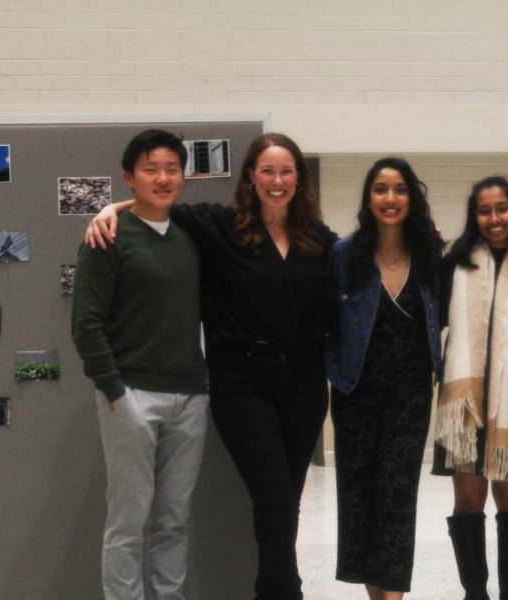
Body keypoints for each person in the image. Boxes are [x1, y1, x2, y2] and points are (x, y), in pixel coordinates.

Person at [85, 132, 336, 600]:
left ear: (299, 179)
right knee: (274, 498)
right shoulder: (221, 226)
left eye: (286, 171)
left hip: (303, 384)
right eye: (267, 171)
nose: (276, 181)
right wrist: (109, 209)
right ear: (250, 178)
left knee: (285, 500)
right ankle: (286, 592)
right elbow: (154, 205)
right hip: (242, 383)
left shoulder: (318, 239)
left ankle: (273, 588)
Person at [72, 129, 209, 600]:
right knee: (128, 522)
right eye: (151, 169)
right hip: (130, 395)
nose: (163, 178)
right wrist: (114, 391)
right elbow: (85, 325)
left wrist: (201, 386)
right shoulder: (106, 236)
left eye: (172, 169)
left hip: (190, 397)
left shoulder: (191, 234)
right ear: (129, 177)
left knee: (173, 521)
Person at [324, 157, 443, 600]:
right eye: (380, 189)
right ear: (368, 198)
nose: (389, 198)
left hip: (410, 394)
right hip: (356, 392)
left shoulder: (431, 254)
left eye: (399, 189)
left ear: (412, 197)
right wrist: (335, 372)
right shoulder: (344, 254)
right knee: (359, 496)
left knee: (398, 495)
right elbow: (324, 320)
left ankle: (393, 597)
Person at [432, 176, 508, 600]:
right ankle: (475, 594)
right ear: (474, 216)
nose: (494, 218)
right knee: (467, 501)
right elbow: (433, 323)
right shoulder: (455, 263)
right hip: (464, 406)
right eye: (485, 211)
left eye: (502, 208)